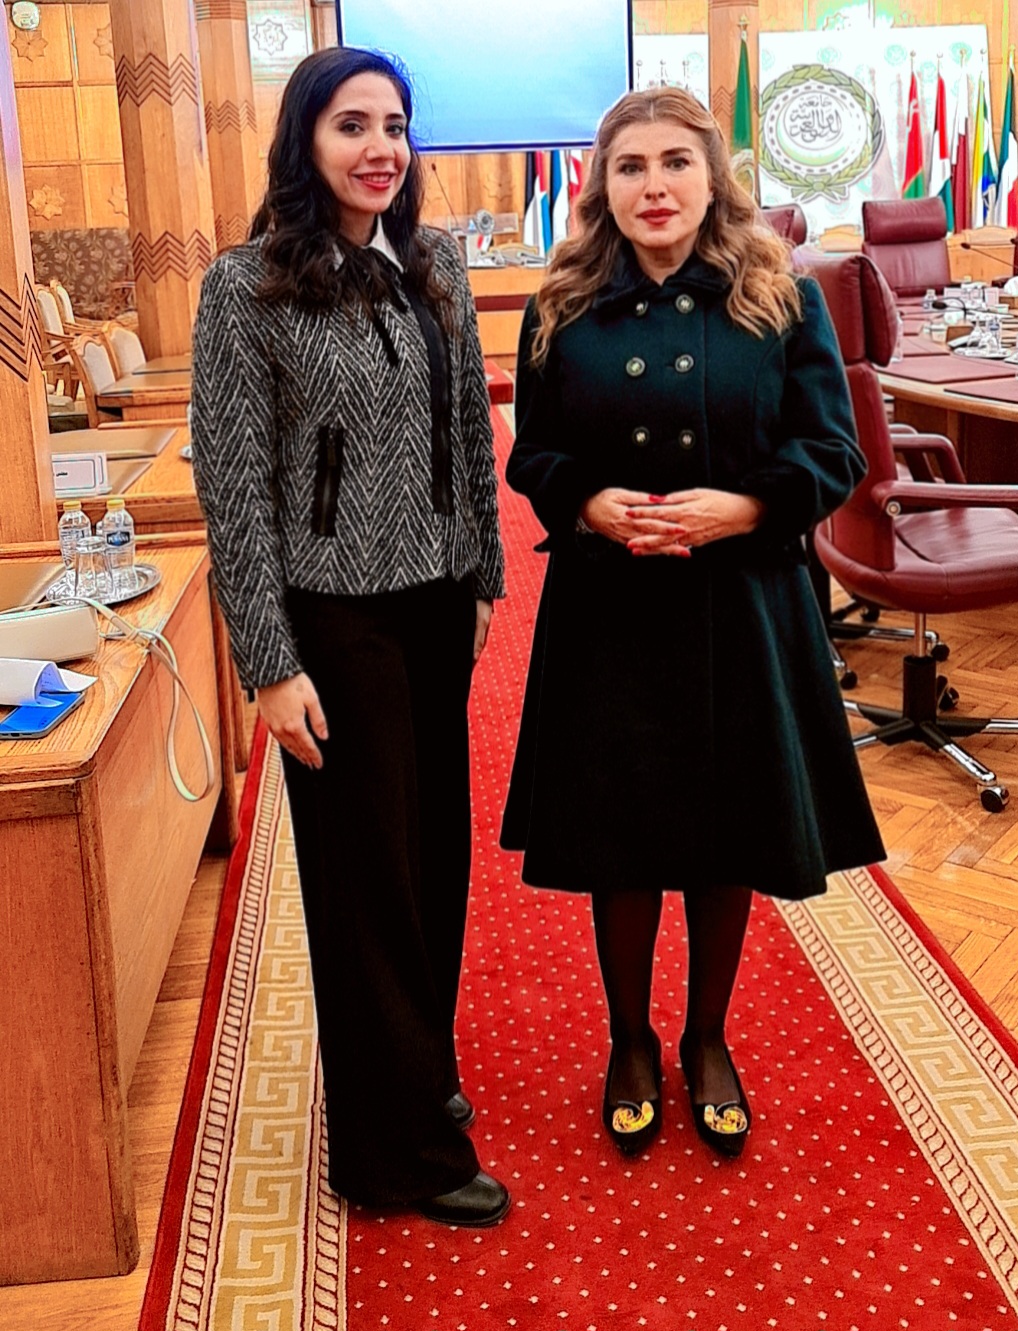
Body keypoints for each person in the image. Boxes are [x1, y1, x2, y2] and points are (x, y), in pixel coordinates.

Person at [501, 87, 885, 1160]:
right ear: (603, 187)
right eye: (631, 166)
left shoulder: (781, 295)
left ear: (714, 176)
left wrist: (748, 507)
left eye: (676, 161)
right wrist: (585, 500)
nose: (656, 184)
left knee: (730, 831)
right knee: (620, 838)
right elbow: (533, 452)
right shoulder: (561, 305)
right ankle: (630, 1040)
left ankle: (707, 1038)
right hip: (610, 607)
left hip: (742, 604)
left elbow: (834, 450)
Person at [190, 47, 510, 1226]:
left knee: (432, 857)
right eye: (351, 124)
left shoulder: (434, 263)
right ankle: (393, 1154)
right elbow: (234, 487)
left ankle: (415, 1071)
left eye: (395, 125)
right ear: (305, 141)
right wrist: (270, 663)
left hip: (435, 603)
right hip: (332, 615)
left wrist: (482, 570)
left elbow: (468, 428)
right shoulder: (247, 286)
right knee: (365, 878)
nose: (381, 147)